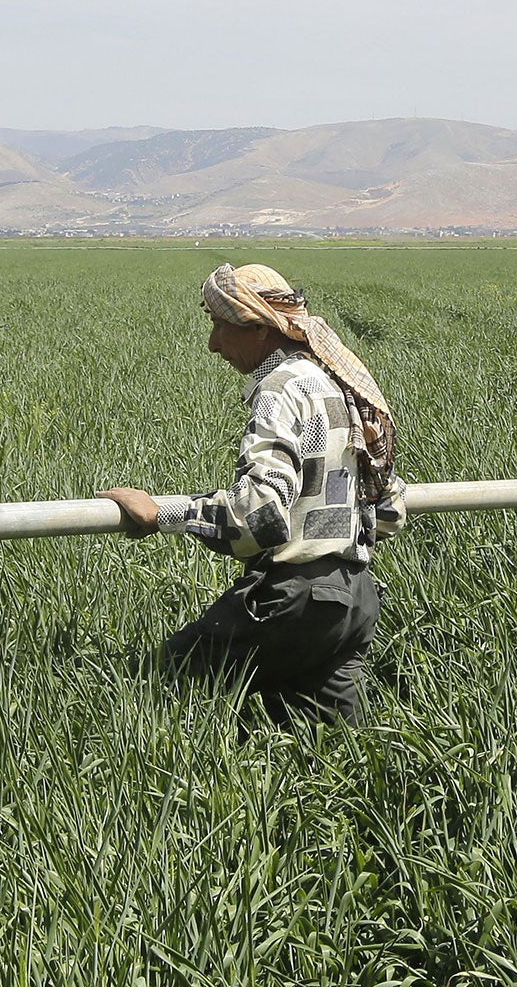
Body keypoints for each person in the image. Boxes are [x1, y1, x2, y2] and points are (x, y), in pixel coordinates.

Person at [101, 263, 402, 723]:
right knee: (332, 758)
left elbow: (260, 512)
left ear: (261, 329)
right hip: (353, 600)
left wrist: (160, 512)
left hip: (294, 601)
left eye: (221, 326)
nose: (213, 344)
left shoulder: (281, 389)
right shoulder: (335, 384)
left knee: (154, 690)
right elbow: (388, 507)